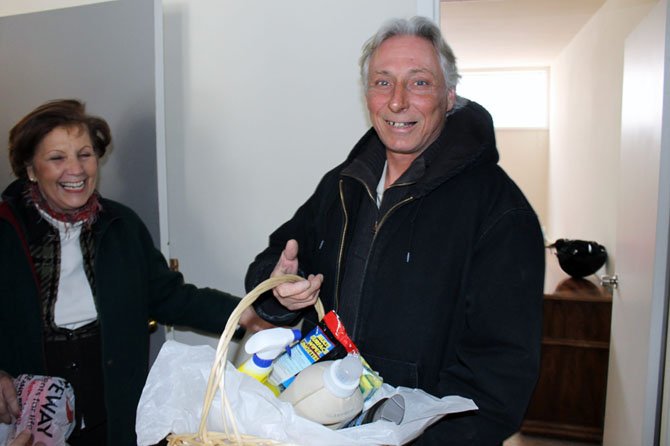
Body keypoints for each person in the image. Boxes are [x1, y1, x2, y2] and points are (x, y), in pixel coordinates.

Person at [245, 16, 545, 445]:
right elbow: (274, 263)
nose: (398, 102)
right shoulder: (342, 185)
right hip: (324, 423)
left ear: (450, 96)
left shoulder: (499, 211)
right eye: (382, 83)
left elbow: (501, 376)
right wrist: (279, 292)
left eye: (419, 83)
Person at [0, 99, 267, 445]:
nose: (76, 170)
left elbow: (169, 296)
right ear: (31, 169)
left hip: (112, 405)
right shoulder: (6, 231)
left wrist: (245, 315)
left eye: (85, 154)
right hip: (30, 413)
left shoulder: (121, 225)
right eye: (57, 158)